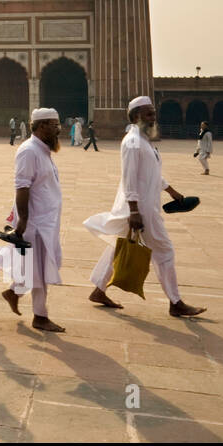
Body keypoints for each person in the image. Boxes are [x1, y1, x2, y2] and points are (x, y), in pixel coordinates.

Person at [84, 96, 206, 317]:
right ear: (136, 116)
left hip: (146, 205)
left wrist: (171, 191)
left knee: (119, 246)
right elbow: (129, 178)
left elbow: (151, 174)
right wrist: (134, 211)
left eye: (154, 113)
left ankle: (98, 290)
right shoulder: (132, 142)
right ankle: (175, 302)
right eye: (149, 114)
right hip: (141, 209)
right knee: (164, 251)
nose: (153, 117)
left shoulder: (143, 140)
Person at [0, 108, 66, 332]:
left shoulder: (43, 150)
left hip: (47, 219)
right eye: (53, 124)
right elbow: (22, 186)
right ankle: (40, 316)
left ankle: (14, 292)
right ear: (40, 126)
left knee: (37, 265)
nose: (58, 128)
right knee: (39, 268)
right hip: (35, 220)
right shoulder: (29, 151)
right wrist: (23, 220)